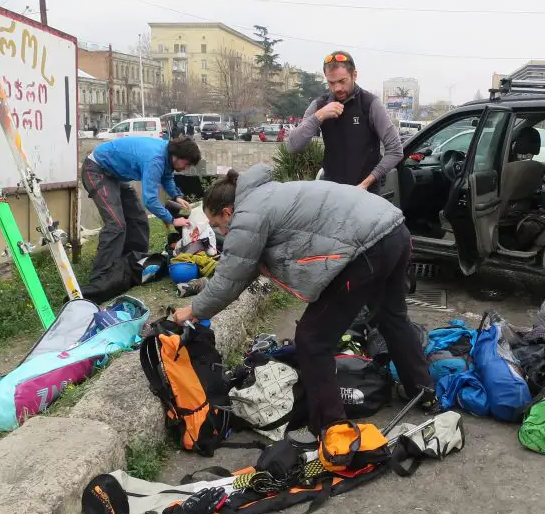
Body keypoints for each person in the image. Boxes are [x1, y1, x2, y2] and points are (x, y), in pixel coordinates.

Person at [172, 165, 434, 438]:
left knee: (312, 339)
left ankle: (332, 429)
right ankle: (424, 392)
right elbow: (244, 269)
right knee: (392, 317)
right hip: (393, 229)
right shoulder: (265, 196)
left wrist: (193, 310)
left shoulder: (247, 214)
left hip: (367, 247)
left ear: (227, 211)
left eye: (215, 224)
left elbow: (230, 277)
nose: (219, 230)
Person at [81, 136, 201, 290]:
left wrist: (176, 195)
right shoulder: (155, 159)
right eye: (187, 163)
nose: (186, 168)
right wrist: (172, 220)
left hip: (114, 175)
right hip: (96, 170)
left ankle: (131, 263)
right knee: (116, 225)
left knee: (138, 218)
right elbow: (150, 200)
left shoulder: (167, 153)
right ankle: (100, 278)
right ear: (177, 156)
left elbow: (167, 175)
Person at [287, 50, 403, 194]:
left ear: (354, 75)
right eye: (331, 82)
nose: (337, 88)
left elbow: (395, 150)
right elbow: (293, 146)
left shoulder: (370, 104)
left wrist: (366, 183)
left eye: (342, 81)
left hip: (366, 193)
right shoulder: (320, 105)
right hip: (331, 192)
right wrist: (319, 116)